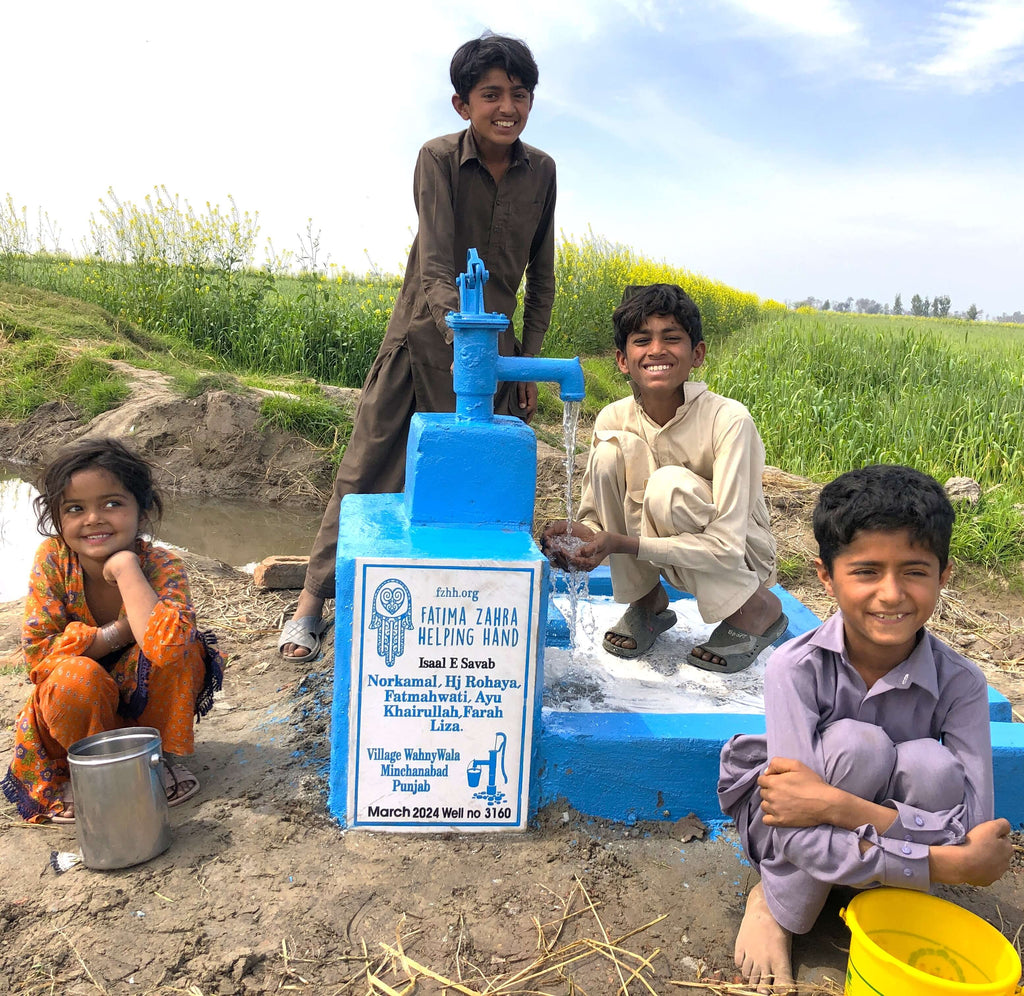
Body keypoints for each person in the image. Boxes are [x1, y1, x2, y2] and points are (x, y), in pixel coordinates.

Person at [280, 32, 557, 661]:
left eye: (518, 94)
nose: (506, 106)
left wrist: (524, 361)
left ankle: (470, 607)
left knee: (486, 475)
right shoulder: (437, 158)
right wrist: (463, 330)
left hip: (497, 350)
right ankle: (312, 603)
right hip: (422, 337)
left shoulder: (542, 171)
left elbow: (541, 274)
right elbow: (436, 262)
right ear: (463, 104)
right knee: (369, 465)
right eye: (491, 94)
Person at [718, 464, 1012, 993]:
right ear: (826, 576)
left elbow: (973, 829)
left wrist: (842, 809)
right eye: (867, 571)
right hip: (794, 846)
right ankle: (776, 904)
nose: (892, 594)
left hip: (853, 828)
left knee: (930, 763)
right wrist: (947, 865)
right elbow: (794, 823)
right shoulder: (793, 668)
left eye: (915, 571)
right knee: (861, 745)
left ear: (944, 576)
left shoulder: (963, 683)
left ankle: (880, 901)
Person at [541, 284, 786, 669]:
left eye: (672, 338)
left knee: (668, 486)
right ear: (623, 360)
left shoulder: (728, 419)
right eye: (642, 340)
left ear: (697, 354)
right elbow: (596, 516)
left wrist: (621, 543)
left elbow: (726, 545)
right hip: (659, 541)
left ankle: (755, 607)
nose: (656, 350)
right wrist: (581, 534)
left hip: (738, 556)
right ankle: (647, 600)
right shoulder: (613, 418)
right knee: (609, 454)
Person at [1, 438, 223, 824]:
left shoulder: (159, 563)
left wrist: (125, 567)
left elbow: (168, 648)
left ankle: (155, 755)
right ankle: (82, 769)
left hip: (139, 702)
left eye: (112, 503)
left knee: (188, 645)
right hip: (72, 711)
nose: (93, 519)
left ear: (142, 510)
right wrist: (118, 633)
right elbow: (39, 657)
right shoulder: (53, 560)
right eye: (75, 508)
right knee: (75, 675)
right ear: (57, 519)